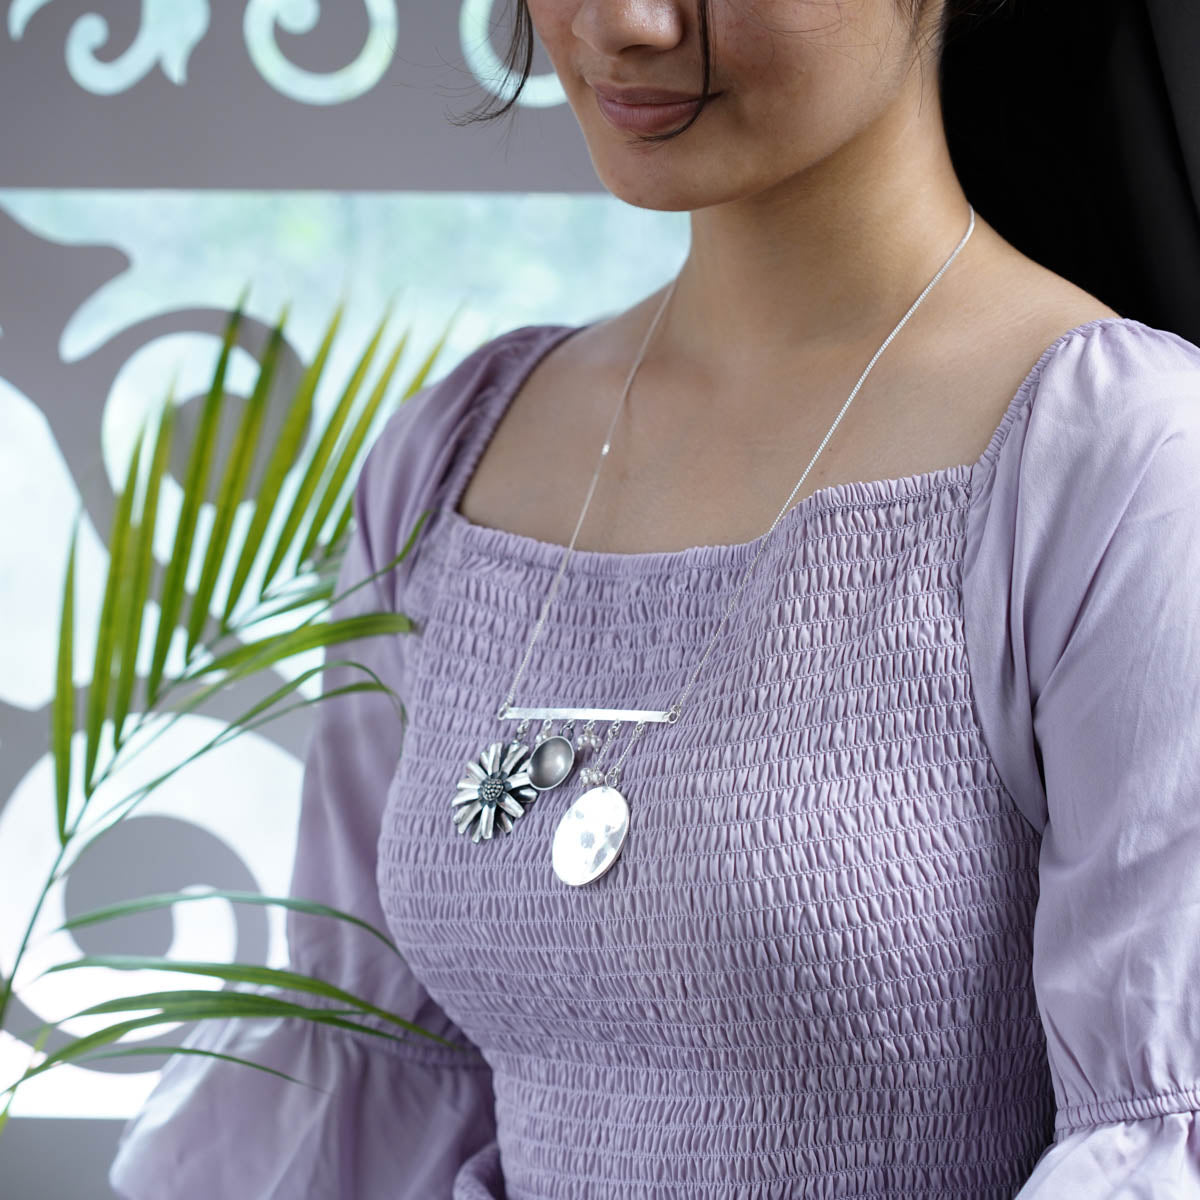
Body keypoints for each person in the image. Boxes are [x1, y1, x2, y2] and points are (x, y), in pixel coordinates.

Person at [109, 0, 1200, 1196]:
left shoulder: (1120, 461)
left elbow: (1152, 1130)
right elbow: (372, 1065)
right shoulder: (454, 454)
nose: (624, 24)